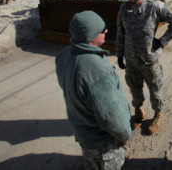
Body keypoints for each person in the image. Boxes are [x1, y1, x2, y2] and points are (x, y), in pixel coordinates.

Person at [56, 11, 132, 170]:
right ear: (91, 36)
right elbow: (111, 115)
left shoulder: (63, 56)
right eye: (102, 29)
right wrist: (124, 134)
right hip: (103, 143)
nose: (106, 31)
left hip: (84, 133)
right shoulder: (95, 70)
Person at [116, 0, 172, 135]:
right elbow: (120, 33)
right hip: (131, 60)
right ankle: (139, 111)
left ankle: (158, 114)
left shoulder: (154, 7)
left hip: (149, 60)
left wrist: (162, 41)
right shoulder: (124, 9)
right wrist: (119, 54)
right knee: (134, 87)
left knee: (155, 88)